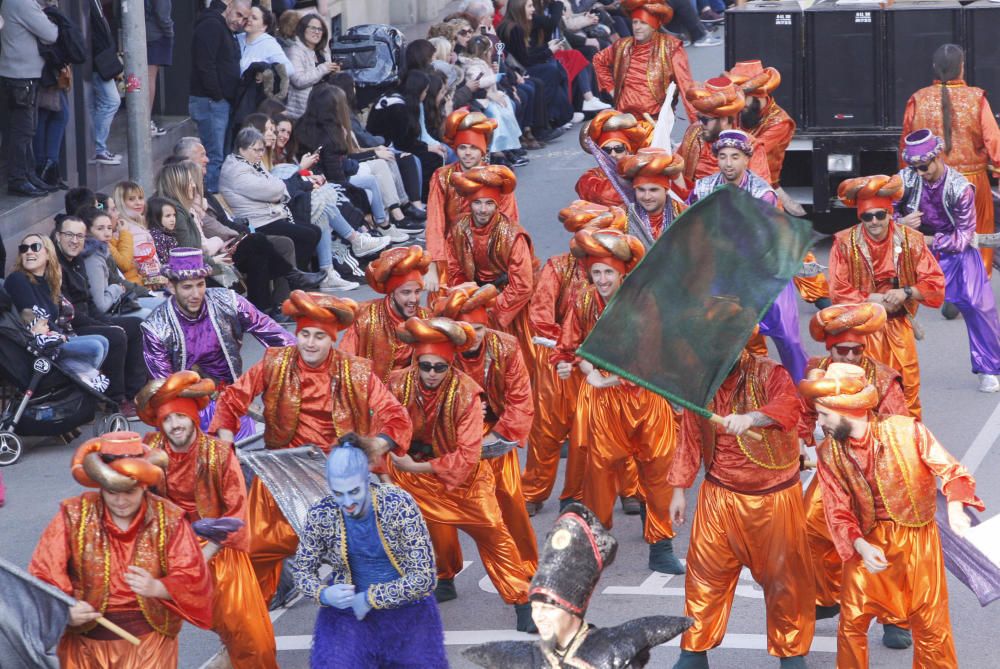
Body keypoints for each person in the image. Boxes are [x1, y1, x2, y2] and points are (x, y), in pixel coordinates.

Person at [209, 290, 412, 605]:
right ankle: (259, 610)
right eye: (304, 334)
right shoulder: (275, 362)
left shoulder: (356, 371)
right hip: (283, 472)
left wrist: (376, 443)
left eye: (320, 336)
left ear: (332, 339)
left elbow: (395, 416)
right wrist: (225, 443)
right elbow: (233, 399)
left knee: (359, 559)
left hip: (338, 476)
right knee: (260, 547)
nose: (311, 343)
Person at [800, 362, 985, 668]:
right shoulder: (829, 453)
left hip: (916, 542)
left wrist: (955, 507)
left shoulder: (907, 431)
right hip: (868, 540)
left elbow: (953, 472)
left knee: (930, 625)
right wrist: (860, 546)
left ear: (847, 410)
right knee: (852, 623)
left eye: (824, 415)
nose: (820, 424)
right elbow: (837, 510)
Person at [668, 341, 815, 669]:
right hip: (719, 495)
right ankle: (693, 652)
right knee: (704, 575)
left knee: (785, 580)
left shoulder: (768, 371)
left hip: (774, 497)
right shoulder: (701, 381)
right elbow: (689, 435)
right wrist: (679, 488)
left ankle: (792, 654)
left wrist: (751, 418)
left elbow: (789, 406)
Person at [387, 316, 536, 631]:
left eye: (439, 367)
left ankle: (522, 601)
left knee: (494, 532)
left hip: (464, 480)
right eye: (424, 366)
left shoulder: (468, 393)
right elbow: (382, 424)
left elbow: (469, 454)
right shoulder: (397, 382)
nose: (430, 373)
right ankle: (439, 582)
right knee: (419, 534)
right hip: (414, 477)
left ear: (450, 365)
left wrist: (418, 466)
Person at [553, 228, 683, 574]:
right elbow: (571, 344)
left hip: (646, 397)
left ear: (622, 272)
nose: (602, 279)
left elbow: (651, 356)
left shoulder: (644, 302)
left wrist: (604, 375)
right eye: (596, 272)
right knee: (599, 472)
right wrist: (584, 368)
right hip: (604, 403)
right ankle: (595, 542)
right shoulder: (582, 300)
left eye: (608, 271)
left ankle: (661, 545)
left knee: (658, 468)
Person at [29, 431, 214, 667]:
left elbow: (194, 575)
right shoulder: (73, 515)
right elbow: (43, 574)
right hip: (85, 648)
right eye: (112, 492)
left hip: (150, 647)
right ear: (100, 487)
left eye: (130, 492)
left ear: (144, 487)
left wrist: (159, 587)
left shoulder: (169, 519)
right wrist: (63, 610)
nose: (120, 501)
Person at [136, 371, 277, 669]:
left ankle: (233, 650)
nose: (174, 425)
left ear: (193, 417)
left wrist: (204, 556)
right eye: (167, 419)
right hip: (169, 551)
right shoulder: (150, 451)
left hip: (219, 550)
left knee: (253, 639)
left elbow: (236, 512)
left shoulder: (217, 454)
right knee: (131, 624)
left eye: (179, 417)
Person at [797, 302, 913, 651]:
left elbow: (900, 428)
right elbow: (802, 415)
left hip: (878, 472)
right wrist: (801, 444)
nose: (849, 355)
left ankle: (895, 618)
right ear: (828, 349)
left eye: (856, 350)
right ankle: (826, 595)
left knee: (887, 542)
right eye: (841, 350)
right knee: (808, 526)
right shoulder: (816, 371)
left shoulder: (882, 378)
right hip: (833, 468)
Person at [463, 503, 692, 668]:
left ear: (572, 610)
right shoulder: (527, 659)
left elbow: (648, 631)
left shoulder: (612, 650)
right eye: (536, 607)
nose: (539, 617)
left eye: (549, 609)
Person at [292, 438, 448, 669]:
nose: (347, 502)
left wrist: (369, 599)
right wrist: (324, 594)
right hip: (348, 615)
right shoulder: (321, 513)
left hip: (408, 613)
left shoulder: (398, 504)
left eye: (354, 491)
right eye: (338, 493)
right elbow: (301, 571)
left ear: (368, 478)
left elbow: (424, 577)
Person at [522, 201, 630, 516]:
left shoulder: (622, 272)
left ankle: (586, 492)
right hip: (561, 361)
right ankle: (533, 491)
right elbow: (541, 318)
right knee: (547, 431)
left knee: (601, 430)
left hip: (603, 365)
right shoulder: (557, 267)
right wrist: (573, 350)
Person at [433, 282, 538, 598]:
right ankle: (444, 573)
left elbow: (520, 399)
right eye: (465, 329)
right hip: (450, 436)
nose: (473, 336)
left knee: (509, 499)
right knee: (440, 508)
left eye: (478, 328)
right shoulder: (441, 350)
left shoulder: (505, 347)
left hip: (496, 434)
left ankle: (526, 567)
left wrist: (496, 438)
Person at [688, 129, 810, 384]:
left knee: (788, 337)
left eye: (735, 156)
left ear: (746, 159)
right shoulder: (702, 188)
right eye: (723, 156)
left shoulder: (762, 193)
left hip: (763, 271)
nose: (728, 163)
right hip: (721, 272)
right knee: (717, 335)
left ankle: (803, 394)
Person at [141, 248, 295, 436]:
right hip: (185, 410)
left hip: (231, 401)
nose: (196, 294)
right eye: (187, 287)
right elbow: (165, 387)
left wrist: (307, 359)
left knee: (242, 458)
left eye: (200, 284)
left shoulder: (228, 301)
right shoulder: (155, 328)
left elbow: (271, 331)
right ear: (171, 287)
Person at [829, 174, 946, 419]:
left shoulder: (911, 240)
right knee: (865, 392)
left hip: (898, 326)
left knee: (908, 389)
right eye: (866, 217)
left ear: (890, 213)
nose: (874, 222)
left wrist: (905, 293)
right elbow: (838, 290)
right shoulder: (844, 243)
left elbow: (934, 283)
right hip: (861, 330)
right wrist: (872, 298)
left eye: (879, 215)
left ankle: (911, 445)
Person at [898, 129, 1000, 393]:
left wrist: (926, 240)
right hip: (912, 252)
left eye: (923, 166)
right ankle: (888, 370)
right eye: (914, 167)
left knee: (979, 305)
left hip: (953, 252)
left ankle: (988, 368)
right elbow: (881, 215)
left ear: (937, 157)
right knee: (888, 305)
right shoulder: (904, 180)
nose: (919, 172)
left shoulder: (961, 188)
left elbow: (964, 236)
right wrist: (900, 223)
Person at [901, 43, 1000, 275]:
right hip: (973, 182)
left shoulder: (918, 99)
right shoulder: (977, 98)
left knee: (939, 234)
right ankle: (975, 280)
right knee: (979, 235)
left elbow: (907, 144)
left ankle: (946, 279)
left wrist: (907, 183)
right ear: (962, 68)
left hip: (933, 182)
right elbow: (994, 140)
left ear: (934, 67)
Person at [52, 215, 148, 415]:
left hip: (88, 318)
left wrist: (106, 322)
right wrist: (107, 327)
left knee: (136, 325)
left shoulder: (77, 260)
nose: (75, 240)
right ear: (58, 236)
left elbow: (90, 304)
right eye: (69, 234)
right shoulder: (55, 266)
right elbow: (69, 311)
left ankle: (136, 394)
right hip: (68, 326)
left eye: (80, 236)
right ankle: (116, 400)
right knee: (116, 335)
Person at [445, 164, 538, 363]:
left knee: (512, 359)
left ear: (497, 205)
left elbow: (522, 285)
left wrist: (493, 312)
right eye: (478, 203)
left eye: (489, 203)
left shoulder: (513, 235)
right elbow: (455, 270)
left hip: (510, 304)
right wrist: (468, 300)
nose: (483, 209)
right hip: (476, 301)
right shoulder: (458, 229)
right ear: (469, 204)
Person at [424, 108, 519, 293]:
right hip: (453, 257)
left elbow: (509, 222)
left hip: (492, 257)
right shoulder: (442, 177)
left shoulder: (497, 177)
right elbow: (435, 224)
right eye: (462, 147)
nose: (468, 153)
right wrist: (432, 267)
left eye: (474, 147)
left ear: (483, 150)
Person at [218, 127, 325, 281]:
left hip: (270, 214)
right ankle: (297, 283)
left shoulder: (251, 162)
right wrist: (282, 187)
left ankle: (300, 278)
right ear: (242, 149)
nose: (261, 154)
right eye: (257, 150)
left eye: (262, 150)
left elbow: (274, 185)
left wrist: (281, 188)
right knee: (306, 236)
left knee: (314, 230)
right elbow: (273, 190)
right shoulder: (236, 170)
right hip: (257, 222)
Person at [6, 234, 110, 390]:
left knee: (103, 341)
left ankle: (78, 390)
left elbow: (59, 317)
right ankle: (74, 390)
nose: (28, 252)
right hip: (33, 345)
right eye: (24, 248)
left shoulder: (48, 283)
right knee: (96, 346)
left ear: (48, 253)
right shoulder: (17, 279)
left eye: (35, 247)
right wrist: (61, 336)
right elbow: (35, 317)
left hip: (52, 338)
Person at [591, 0, 697, 121]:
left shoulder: (671, 48)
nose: (637, 27)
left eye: (643, 23)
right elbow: (598, 60)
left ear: (653, 26)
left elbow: (685, 86)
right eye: (635, 22)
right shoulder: (623, 45)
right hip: (626, 117)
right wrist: (611, 89)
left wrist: (695, 125)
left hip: (656, 119)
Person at [339, 246, 431, 382]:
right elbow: (344, 362)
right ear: (391, 293)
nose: (413, 299)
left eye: (417, 292)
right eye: (406, 292)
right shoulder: (365, 317)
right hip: (372, 394)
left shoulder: (427, 319)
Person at [190, 0, 250, 193]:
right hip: (210, 101)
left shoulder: (223, 28)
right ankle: (210, 200)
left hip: (217, 100)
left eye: (245, 19)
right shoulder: (212, 25)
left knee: (218, 155)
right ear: (229, 7)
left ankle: (214, 198)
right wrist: (217, 95)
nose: (240, 21)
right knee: (213, 156)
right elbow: (205, 64)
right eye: (239, 14)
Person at [0, 0, 59, 197]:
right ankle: (19, 178)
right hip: (20, 77)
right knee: (22, 130)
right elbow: (51, 34)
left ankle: (27, 175)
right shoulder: (22, 3)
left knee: (23, 129)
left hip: (19, 75)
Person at [366, 69, 447, 203]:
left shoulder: (397, 98)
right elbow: (403, 142)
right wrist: (427, 148)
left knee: (435, 153)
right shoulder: (398, 107)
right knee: (433, 158)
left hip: (392, 143)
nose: (426, 95)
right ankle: (425, 200)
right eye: (425, 91)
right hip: (385, 146)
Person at [678, 77, 772, 186]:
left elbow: (762, 193)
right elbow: (680, 176)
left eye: (705, 120)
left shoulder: (751, 146)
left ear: (724, 120)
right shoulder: (694, 133)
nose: (700, 124)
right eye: (699, 118)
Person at [496, 0, 574, 130]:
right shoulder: (514, 28)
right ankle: (545, 121)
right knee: (551, 70)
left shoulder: (513, 25)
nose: (533, 9)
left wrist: (546, 47)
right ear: (520, 8)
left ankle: (556, 116)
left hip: (519, 67)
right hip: (518, 71)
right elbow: (525, 60)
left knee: (554, 67)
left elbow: (524, 53)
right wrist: (548, 51)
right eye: (529, 6)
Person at [77, 206, 151, 317]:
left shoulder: (103, 250)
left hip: (118, 299)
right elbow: (100, 305)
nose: (107, 233)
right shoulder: (92, 258)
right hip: (106, 313)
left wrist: (147, 292)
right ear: (87, 231)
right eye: (100, 228)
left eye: (109, 228)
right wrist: (116, 289)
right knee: (149, 313)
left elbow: (116, 279)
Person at [575, 110, 655, 208]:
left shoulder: (643, 169)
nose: (613, 154)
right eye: (607, 150)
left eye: (619, 149)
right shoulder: (590, 178)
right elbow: (600, 195)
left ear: (628, 150)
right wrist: (628, 182)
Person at [617, 147, 687, 246]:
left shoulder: (684, 214)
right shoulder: (622, 216)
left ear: (666, 190)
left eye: (653, 190)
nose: (647, 197)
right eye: (641, 190)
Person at [284, 13, 339, 118]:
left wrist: (335, 72)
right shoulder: (295, 51)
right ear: (303, 29)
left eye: (320, 29)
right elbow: (298, 81)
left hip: (325, 108)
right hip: (303, 113)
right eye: (313, 28)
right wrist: (323, 69)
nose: (317, 32)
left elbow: (326, 79)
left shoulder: (324, 52)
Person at [89, 0, 121, 165]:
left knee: (102, 104)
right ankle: (98, 148)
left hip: (100, 59)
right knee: (111, 101)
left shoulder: (96, 4)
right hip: (97, 61)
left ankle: (98, 148)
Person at [237, 6, 295, 76]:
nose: (249, 19)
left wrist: (267, 73)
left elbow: (289, 69)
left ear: (264, 27)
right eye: (248, 16)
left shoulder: (269, 44)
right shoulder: (236, 38)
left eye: (254, 18)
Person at [145, 0, 173, 137]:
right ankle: (145, 121)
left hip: (144, 32)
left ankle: (144, 120)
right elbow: (162, 14)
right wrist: (169, 31)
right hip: (154, 34)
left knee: (143, 78)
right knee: (149, 78)